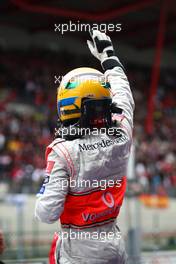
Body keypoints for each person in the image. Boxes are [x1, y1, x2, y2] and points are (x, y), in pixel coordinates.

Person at [35, 30, 135, 264]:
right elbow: (124, 95)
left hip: (78, 251)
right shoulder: (122, 133)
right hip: (114, 244)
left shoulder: (62, 152)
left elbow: (46, 213)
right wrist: (108, 56)